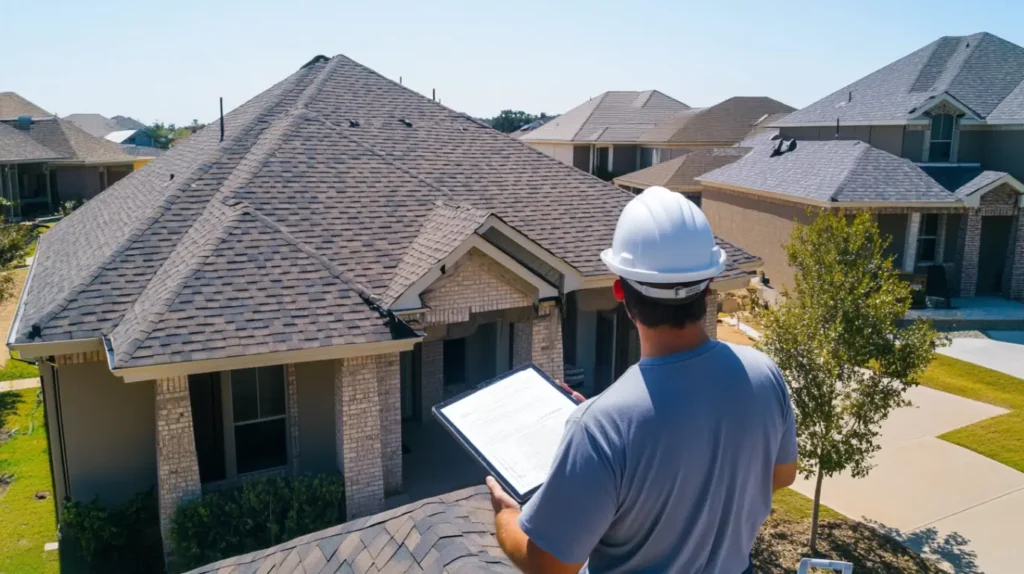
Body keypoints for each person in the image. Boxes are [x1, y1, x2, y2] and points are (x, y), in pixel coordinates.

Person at [486, 186, 798, 573]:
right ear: (709, 287)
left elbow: (549, 565)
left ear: (620, 290)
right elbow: (782, 475)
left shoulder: (602, 429)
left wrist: (505, 517)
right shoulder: (765, 374)